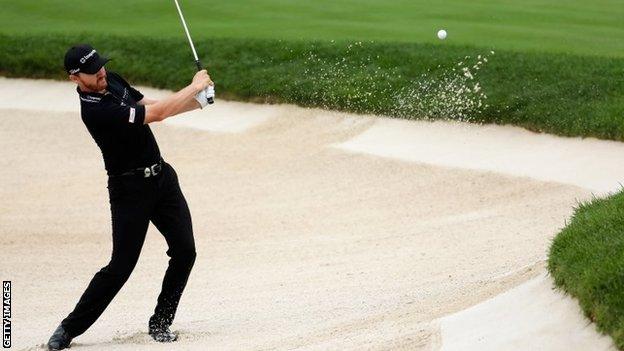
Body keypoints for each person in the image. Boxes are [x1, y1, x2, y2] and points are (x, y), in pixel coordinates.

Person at [47, 44, 214, 350]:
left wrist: (199, 101)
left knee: (185, 251)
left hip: (162, 178)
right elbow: (158, 114)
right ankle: (68, 329)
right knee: (120, 267)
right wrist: (193, 86)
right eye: (92, 71)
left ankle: (161, 321)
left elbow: (151, 103)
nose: (101, 73)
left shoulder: (110, 79)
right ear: (75, 78)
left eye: (101, 66)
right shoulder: (96, 111)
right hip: (129, 191)